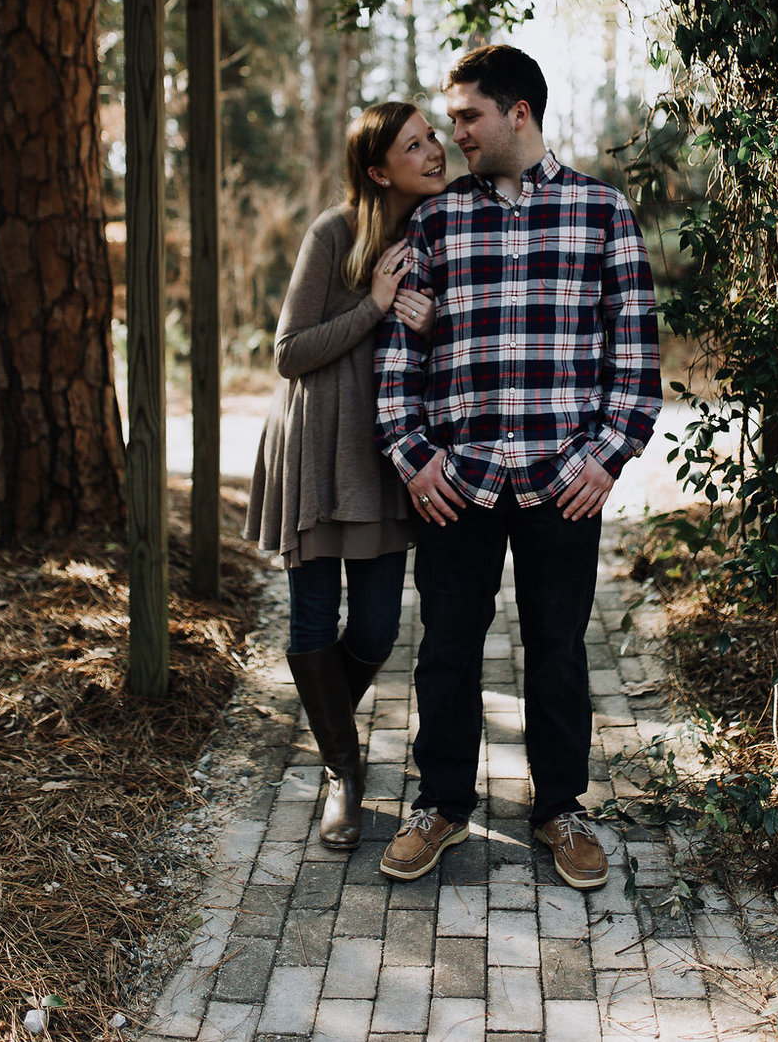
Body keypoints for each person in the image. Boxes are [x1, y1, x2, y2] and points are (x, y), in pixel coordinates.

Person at [375, 44, 662, 887]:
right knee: (446, 652)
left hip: (561, 481)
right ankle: (442, 806)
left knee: (560, 650)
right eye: (451, 118)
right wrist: (412, 456)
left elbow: (636, 366)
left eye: (467, 116)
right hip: (455, 482)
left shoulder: (601, 214)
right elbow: (400, 361)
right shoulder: (433, 222)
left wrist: (606, 460)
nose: (452, 134)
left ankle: (560, 810)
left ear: (518, 115)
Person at [245, 101, 446, 851]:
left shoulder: (436, 230)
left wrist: (428, 325)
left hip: (385, 453)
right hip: (319, 444)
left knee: (376, 627)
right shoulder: (335, 232)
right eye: (414, 145)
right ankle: (343, 774)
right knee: (311, 620)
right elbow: (289, 350)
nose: (434, 153)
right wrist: (374, 307)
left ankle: (330, 737)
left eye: (432, 139)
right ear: (376, 168)